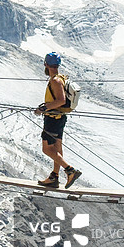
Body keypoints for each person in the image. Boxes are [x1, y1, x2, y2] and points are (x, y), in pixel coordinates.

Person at [35, 52, 82, 189]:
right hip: (59, 118)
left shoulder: (55, 80)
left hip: (52, 119)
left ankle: (70, 170)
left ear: (46, 64)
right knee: (57, 148)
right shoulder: (61, 78)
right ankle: (54, 177)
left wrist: (43, 108)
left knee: (47, 149)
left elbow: (60, 101)